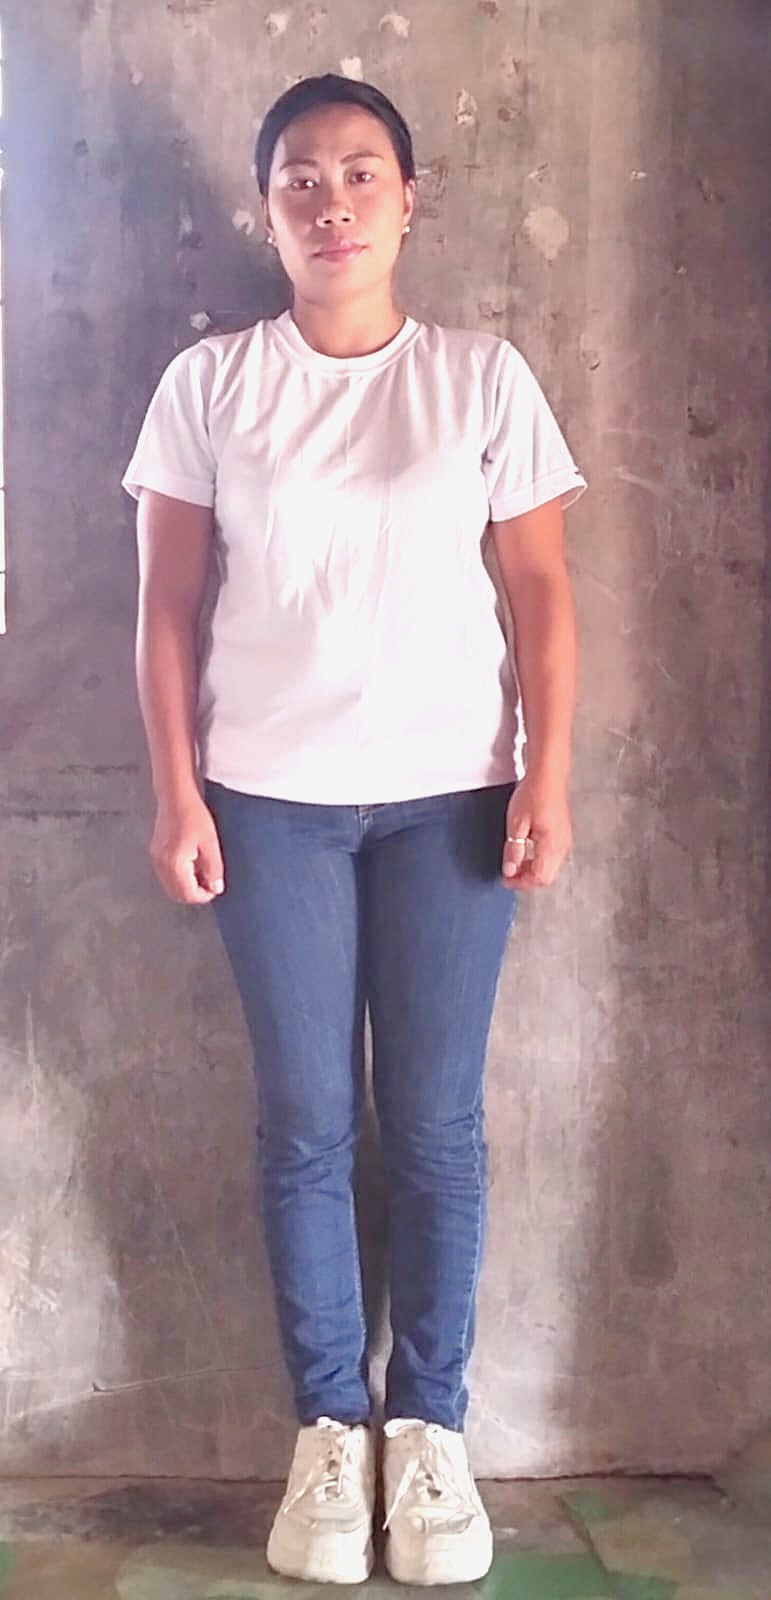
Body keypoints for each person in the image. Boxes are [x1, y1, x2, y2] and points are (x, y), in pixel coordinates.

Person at [122, 72, 586, 1588]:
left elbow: (541, 593)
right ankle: (330, 1430)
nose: (333, 203)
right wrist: (178, 791)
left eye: (360, 173)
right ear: (266, 211)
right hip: (270, 809)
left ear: (409, 199)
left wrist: (547, 775)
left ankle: (430, 1434)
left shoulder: (480, 378)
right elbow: (166, 607)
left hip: (454, 800)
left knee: (437, 1128)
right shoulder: (210, 387)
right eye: (301, 181)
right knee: (309, 1124)